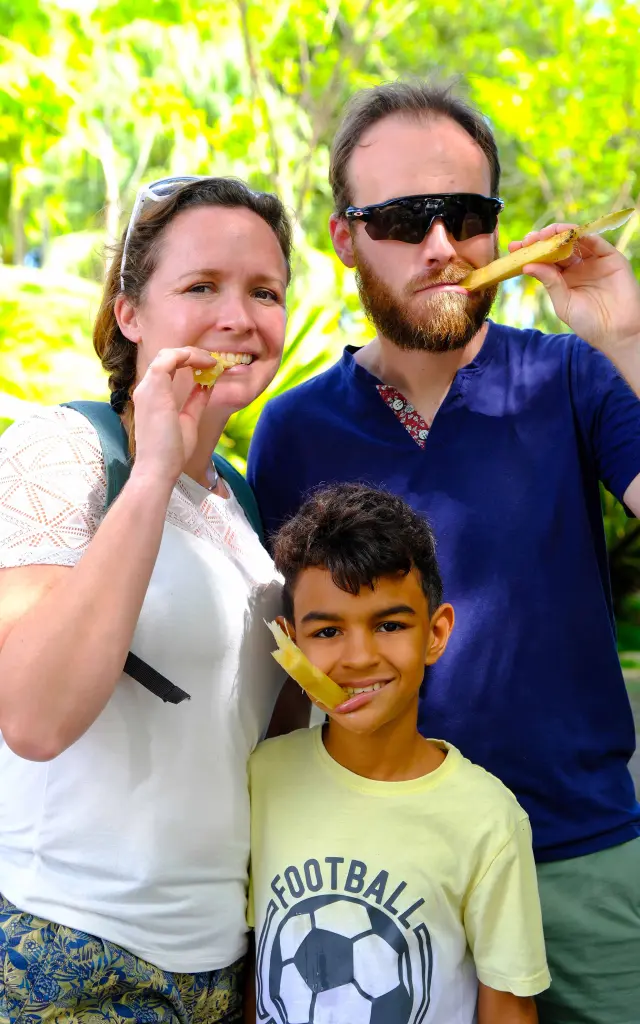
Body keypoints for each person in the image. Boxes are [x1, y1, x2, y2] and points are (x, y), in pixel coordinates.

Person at [247, 82, 640, 1024]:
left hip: (580, 859)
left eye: (467, 215)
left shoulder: (572, 377)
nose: (441, 246)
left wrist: (627, 334)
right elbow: (293, 670)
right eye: (402, 218)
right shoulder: (292, 429)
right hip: (389, 875)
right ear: (345, 238)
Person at [0, 176, 294, 1022]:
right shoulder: (68, 450)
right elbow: (34, 717)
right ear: (129, 312)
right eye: (201, 286)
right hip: (69, 950)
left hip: (212, 967)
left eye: (263, 292)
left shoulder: (245, 510)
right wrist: (156, 464)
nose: (238, 316)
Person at [247, 482, 550, 1024]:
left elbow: (508, 1006)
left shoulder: (488, 820)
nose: (359, 656)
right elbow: (257, 970)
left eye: (389, 625)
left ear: (435, 633)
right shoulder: (261, 779)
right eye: (328, 630)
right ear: (292, 644)